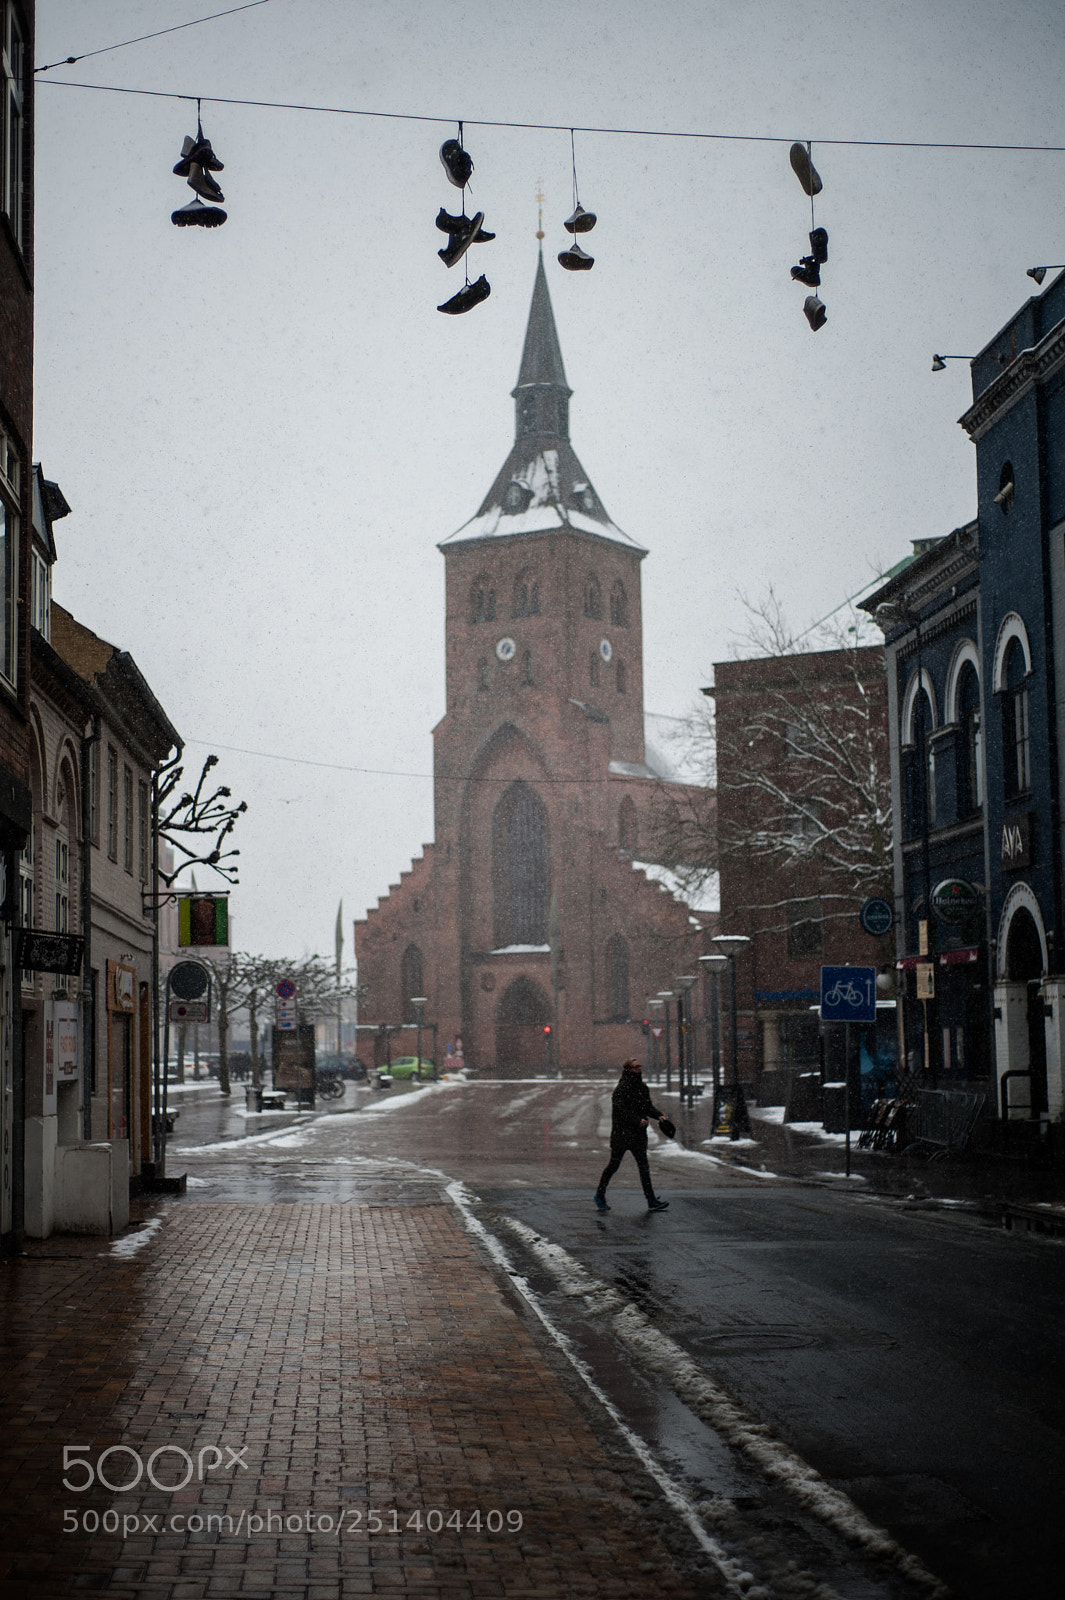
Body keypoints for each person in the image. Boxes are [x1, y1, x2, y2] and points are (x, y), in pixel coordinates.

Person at [594, 1058, 670, 1212]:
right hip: (622, 1135)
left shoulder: (642, 1087)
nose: (638, 1070)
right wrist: (637, 1120)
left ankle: (651, 1200)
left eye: (639, 1067)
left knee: (644, 1168)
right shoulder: (622, 1088)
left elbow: (647, 1106)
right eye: (634, 1068)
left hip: (638, 1135)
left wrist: (659, 1115)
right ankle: (599, 1195)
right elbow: (620, 1110)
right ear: (627, 1069)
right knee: (613, 1166)